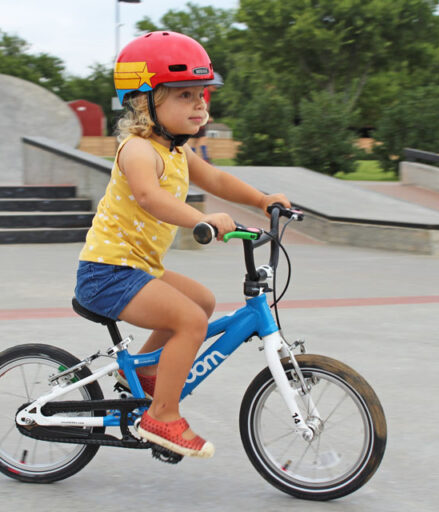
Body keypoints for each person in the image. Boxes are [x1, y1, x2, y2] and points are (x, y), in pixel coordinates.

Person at [74, 31, 290, 459]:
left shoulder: (177, 151)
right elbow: (149, 197)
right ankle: (162, 416)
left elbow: (217, 179)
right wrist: (202, 219)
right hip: (107, 273)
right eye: (185, 95)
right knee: (190, 321)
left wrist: (263, 200)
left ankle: (139, 374)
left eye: (202, 94)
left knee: (201, 300)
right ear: (145, 102)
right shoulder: (138, 150)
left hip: (136, 268)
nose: (200, 105)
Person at [188, 73, 221, 162]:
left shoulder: (206, 91)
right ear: (210, 84)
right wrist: (206, 117)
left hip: (197, 117)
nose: (215, 89)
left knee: (195, 139)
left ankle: (192, 159)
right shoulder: (205, 91)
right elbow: (203, 105)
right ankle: (205, 158)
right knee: (202, 138)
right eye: (215, 87)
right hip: (200, 118)